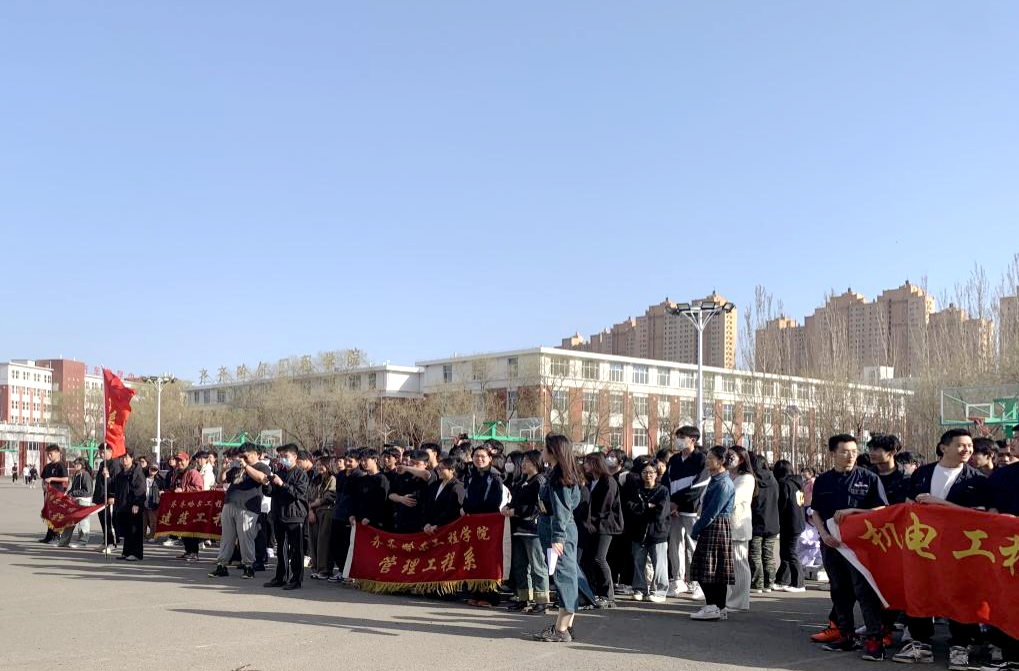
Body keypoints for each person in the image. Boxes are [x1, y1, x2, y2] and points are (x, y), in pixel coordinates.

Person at [893, 428, 988, 669]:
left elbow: (979, 516)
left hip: (959, 549)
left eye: (969, 446)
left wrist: (940, 504)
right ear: (944, 447)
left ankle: (960, 645)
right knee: (920, 590)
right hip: (923, 547)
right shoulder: (923, 473)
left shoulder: (976, 479)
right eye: (961, 445)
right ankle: (920, 643)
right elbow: (908, 505)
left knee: (959, 594)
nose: (967, 450)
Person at [810, 434, 888, 661]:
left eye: (854, 451)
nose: (850, 455)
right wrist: (824, 535)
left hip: (859, 547)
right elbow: (815, 512)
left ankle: (875, 639)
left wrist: (854, 512)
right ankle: (846, 634)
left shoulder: (869, 478)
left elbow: (882, 510)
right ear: (833, 453)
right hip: (832, 545)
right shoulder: (823, 480)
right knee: (839, 591)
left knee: (864, 592)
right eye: (845, 451)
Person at [531, 434, 582, 643]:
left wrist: (558, 537)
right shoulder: (561, 473)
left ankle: (561, 629)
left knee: (564, 576)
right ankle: (566, 625)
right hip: (558, 527)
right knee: (567, 575)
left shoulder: (559, 477)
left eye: (545, 448)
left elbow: (561, 511)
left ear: (554, 451)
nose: (542, 451)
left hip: (558, 528)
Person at [208, 443, 271, 580]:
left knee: (245, 538)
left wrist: (246, 466)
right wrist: (223, 469)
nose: (242, 458)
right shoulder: (237, 468)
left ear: (254, 454)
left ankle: (248, 566)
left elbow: (262, 478)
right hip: (230, 503)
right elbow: (221, 480)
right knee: (227, 538)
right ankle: (222, 565)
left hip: (247, 508)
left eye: (246, 456)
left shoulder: (262, 466)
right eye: (241, 456)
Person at [689, 445, 737, 621]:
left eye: (710, 458)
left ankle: (713, 606)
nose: (707, 461)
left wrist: (697, 528)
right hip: (716, 526)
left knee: (707, 568)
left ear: (721, 460)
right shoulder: (717, 479)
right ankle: (719, 607)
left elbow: (711, 511)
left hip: (715, 526)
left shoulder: (723, 483)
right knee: (715, 569)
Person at [503, 449, 549, 612]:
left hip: (533, 530)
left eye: (528, 461)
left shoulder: (540, 481)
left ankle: (542, 601)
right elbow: (515, 500)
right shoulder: (522, 481)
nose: (523, 464)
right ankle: (523, 599)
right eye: (523, 461)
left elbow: (537, 507)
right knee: (520, 567)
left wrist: (516, 511)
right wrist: (508, 507)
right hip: (518, 529)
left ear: (537, 463)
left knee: (537, 567)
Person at [664, 426, 708, 598]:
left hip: (692, 510)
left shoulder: (701, 459)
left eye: (682, 437)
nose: (678, 440)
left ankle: (698, 583)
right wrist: (670, 503)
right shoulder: (674, 459)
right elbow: (666, 482)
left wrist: (679, 504)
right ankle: (678, 580)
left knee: (694, 546)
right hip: (674, 511)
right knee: (675, 545)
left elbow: (699, 486)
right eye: (678, 436)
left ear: (693, 440)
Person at [463, 445, 504, 607]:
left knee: (488, 559)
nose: (479, 459)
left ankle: (490, 596)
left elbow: (495, 501)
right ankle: (475, 592)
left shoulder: (495, 477)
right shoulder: (470, 476)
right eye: (476, 456)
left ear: (490, 459)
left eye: (483, 456)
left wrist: (474, 509)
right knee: (474, 557)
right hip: (473, 524)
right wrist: (466, 509)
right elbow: (467, 498)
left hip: (489, 524)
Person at [265, 444, 310, 591]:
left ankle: (296, 579)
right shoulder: (280, 472)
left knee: (296, 550)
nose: (283, 459)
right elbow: (271, 492)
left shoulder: (301, 474)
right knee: (281, 548)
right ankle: (281, 577)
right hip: (280, 515)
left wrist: (283, 484)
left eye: (286, 456)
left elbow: (298, 494)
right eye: (281, 456)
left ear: (295, 457)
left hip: (295, 516)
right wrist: (266, 484)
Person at [626, 460, 670, 604]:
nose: (648, 475)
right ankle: (639, 589)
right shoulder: (636, 490)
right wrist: (647, 506)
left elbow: (660, 513)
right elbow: (630, 508)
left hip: (657, 532)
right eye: (645, 472)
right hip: (638, 532)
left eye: (651, 472)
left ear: (657, 474)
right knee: (638, 562)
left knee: (659, 564)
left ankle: (659, 591)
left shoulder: (662, 490)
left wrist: (642, 510)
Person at [582, 452, 623, 604]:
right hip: (592, 525)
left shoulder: (608, 481)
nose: (585, 465)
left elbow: (606, 505)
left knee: (600, 558)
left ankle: (607, 595)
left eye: (588, 462)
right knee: (590, 559)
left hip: (605, 525)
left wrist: (594, 521)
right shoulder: (590, 481)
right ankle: (594, 591)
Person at [726, 446, 755, 611]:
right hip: (724, 525)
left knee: (739, 563)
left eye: (731, 456)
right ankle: (729, 598)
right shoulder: (727, 475)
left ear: (741, 459)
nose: (727, 458)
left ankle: (740, 601)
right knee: (728, 565)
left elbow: (733, 498)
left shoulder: (746, 478)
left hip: (738, 526)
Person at [772, 459, 805, 592]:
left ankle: (799, 583)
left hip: (789, 521)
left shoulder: (784, 484)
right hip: (797, 521)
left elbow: (782, 504)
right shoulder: (797, 483)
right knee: (786, 552)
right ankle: (782, 580)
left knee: (790, 552)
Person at [749, 453, 779, 594]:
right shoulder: (773, 480)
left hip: (756, 521)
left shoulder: (752, 479)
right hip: (772, 522)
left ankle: (757, 584)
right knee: (768, 554)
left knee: (755, 555)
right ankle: (770, 582)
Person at [111, 449, 147, 561]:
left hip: (133, 505)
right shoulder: (121, 473)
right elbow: (117, 489)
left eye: (126, 457)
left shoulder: (136, 472)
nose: (124, 460)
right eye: (122, 458)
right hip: (123, 506)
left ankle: (136, 553)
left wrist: (137, 503)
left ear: (132, 458)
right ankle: (126, 552)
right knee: (127, 531)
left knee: (134, 530)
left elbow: (140, 489)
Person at [169, 451, 205, 562]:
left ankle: (194, 553)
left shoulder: (193, 472)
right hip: (180, 506)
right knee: (183, 531)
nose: (179, 463)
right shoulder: (176, 473)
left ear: (187, 461)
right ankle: (188, 551)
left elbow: (199, 488)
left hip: (191, 506)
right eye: (177, 460)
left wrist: (184, 490)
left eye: (181, 460)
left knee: (191, 531)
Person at [308, 457, 337, 580]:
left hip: (326, 511)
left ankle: (325, 569)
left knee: (323, 541)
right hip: (314, 511)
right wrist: (310, 509)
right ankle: (316, 567)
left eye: (321, 465)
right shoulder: (316, 479)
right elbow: (310, 495)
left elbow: (330, 495)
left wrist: (317, 503)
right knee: (314, 541)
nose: (319, 467)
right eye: (317, 465)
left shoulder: (332, 478)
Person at [422, 457, 466, 532]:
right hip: (430, 528)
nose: (438, 471)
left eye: (442, 469)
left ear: (452, 470)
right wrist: (426, 523)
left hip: (446, 529)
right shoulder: (434, 485)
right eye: (438, 469)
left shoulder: (458, 487)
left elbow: (452, 510)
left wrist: (438, 524)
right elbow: (426, 506)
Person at [93, 444, 122, 554]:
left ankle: (112, 543)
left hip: (109, 498)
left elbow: (116, 482)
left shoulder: (114, 464)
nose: (102, 454)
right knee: (103, 521)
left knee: (110, 522)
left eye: (104, 452)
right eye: (100, 452)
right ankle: (106, 541)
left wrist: (112, 495)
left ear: (110, 452)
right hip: (101, 497)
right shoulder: (102, 464)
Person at [58, 458, 94, 548]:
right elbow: (73, 488)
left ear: (83, 465)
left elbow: (88, 491)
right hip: (74, 500)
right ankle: (64, 541)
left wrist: (72, 493)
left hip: (84, 500)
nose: (75, 466)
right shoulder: (76, 475)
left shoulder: (85, 475)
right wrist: (68, 493)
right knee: (70, 520)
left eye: (78, 464)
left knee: (83, 522)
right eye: (75, 464)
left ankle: (82, 541)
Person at [39, 444, 69, 543]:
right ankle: (49, 535)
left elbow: (65, 479)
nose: (49, 456)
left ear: (57, 453)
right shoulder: (48, 466)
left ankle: (56, 536)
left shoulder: (60, 465)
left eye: (51, 454)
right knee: (49, 514)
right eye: (48, 454)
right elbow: (43, 478)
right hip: (48, 494)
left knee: (56, 515)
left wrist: (52, 478)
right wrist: (43, 486)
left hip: (57, 493)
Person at [143, 465, 162, 541]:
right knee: (143, 521)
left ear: (157, 471)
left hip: (153, 503)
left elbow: (162, 490)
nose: (153, 471)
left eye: (155, 470)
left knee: (153, 521)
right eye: (152, 469)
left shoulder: (159, 480)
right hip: (143, 502)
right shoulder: (143, 478)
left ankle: (152, 536)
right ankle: (143, 536)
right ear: (149, 469)